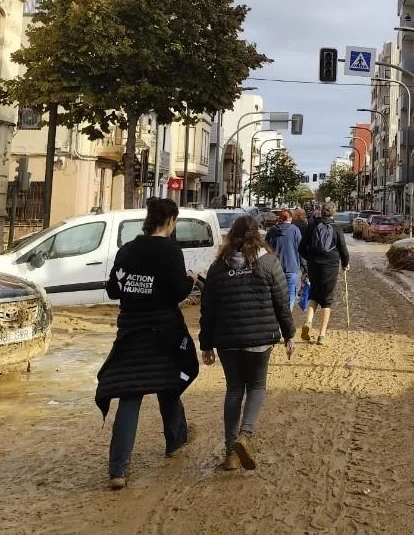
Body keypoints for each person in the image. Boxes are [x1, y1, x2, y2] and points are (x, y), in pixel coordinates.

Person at [96, 197, 199, 491]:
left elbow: (114, 290)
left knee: (130, 393)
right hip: (164, 331)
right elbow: (177, 292)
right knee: (169, 384)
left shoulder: (127, 250)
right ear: (169, 222)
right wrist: (190, 281)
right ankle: (175, 442)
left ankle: (118, 470)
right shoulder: (171, 251)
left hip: (130, 330)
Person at [200, 216, 295, 471]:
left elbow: (208, 308)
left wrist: (205, 344)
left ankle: (231, 454)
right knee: (256, 386)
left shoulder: (218, 266)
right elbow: (281, 303)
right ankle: (246, 434)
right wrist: (289, 335)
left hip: (227, 339)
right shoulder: (268, 262)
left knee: (233, 390)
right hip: (260, 339)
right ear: (257, 234)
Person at [299, 201, 349, 343]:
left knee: (314, 293)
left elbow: (301, 248)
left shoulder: (312, 226)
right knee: (327, 300)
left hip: (314, 265)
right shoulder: (337, 228)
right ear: (333, 213)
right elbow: (344, 251)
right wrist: (345, 264)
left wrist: (310, 259)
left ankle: (308, 321)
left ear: (321, 212)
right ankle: (322, 335)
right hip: (331, 266)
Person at [265, 210, 303, 309]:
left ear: (279, 218)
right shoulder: (295, 230)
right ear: (290, 218)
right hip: (291, 267)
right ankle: (287, 317)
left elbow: (265, 248)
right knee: (290, 293)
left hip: (275, 269)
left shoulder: (272, 231)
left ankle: (277, 318)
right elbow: (301, 249)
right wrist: (305, 267)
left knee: (275, 294)